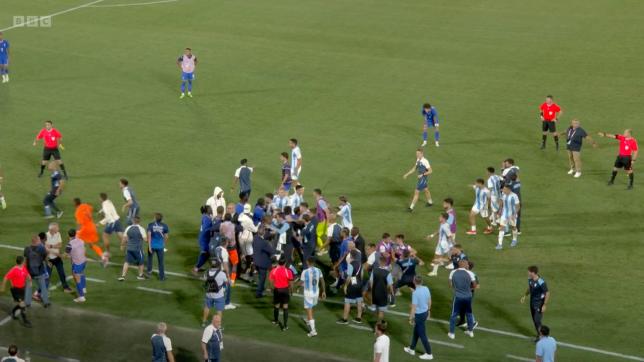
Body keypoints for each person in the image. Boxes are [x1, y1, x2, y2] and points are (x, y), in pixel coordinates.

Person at [403, 275, 433, 360]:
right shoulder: (426, 288)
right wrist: (429, 311)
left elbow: (413, 308)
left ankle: (429, 353)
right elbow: (429, 300)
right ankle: (411, 349)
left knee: (422, 334)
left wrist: (410, 318)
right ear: (421, 281)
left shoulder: (415, 293)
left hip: (419, 315)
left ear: (414, 281)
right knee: (416, 332)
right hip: (425, 313)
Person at [447, 259, 478, 340]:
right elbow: (475, 285)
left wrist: (457, 288)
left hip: (458, 296)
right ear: (465, 265)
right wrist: (468, 288)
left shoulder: (453, 272)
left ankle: (452, 333)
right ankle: (470, 332)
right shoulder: (470, 273)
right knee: (469, 313)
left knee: (454, 314)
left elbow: (450, 285)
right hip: (468, 296)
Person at [521, 265, 550, 341]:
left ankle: (543, 337)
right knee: (535, 321)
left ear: (533, 272)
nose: (528, 273)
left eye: (529, 272)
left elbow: (547, 293)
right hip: (532, 303)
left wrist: (544, 305)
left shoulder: (541, 282)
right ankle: (539, 335)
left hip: (539, 304)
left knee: (537, 320)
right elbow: (530, 288)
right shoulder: (530, 279)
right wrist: (524, 296)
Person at [1, 256, 31, 327]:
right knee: (23, 305)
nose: (25, 262)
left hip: (22, 289)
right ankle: (25, 321)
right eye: (24, 261)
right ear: (22, 262)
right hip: (16, 290)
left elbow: (27, 275)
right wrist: (3, 287)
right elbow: (5, 278)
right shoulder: (14, 270)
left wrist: (29, 280)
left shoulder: (23, 268)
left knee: (21, 304)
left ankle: (13, 312)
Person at [300, 257, 325, 337]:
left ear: (307, 262)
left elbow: (301, 283)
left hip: (308, 293)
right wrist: (323, 291)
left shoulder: (305, 272)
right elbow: (322, 281)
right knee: (311, 307)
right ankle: (308, 320)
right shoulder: (318, 270)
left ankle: (313, 331)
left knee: (309, 309)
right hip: (316, 293)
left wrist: (293, 286)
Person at [337, 249, 364, 324]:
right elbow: (361, 274)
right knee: (359, 301)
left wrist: (345, 286)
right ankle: (359, 318)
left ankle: (345, 319)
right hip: (359, 283)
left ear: (351, 256)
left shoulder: (351, 265)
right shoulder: (360, 263)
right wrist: (360, 283)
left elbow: (349, 277)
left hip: (352, 284)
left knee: (347, 302)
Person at [73, 198, 104, 262]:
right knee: (91, 245)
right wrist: (100, 213)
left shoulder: (77, 212)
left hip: (85, 229)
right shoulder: (85, 205)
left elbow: (79, 224)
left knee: (75, 239)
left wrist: (77, 231)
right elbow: (92, 208)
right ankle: (102, 256)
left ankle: (78, 255)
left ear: (75, 204)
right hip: (92, 227)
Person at [45, 222, 72, 293]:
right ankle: (44, 290)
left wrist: (51, 246)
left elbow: (60, 245)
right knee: (47, 276)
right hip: (49, 259)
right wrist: (47, 260)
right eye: (57, 228)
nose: (58, 229)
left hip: (57, 258)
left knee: (62, 273)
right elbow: (45, 249)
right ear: (52, 229)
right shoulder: (45, 236)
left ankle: (65, 288)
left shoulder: (58, 234)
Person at [23, 235, 49, 307]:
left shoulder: (27, 249)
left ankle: (27, 303)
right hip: (39, 271)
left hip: (29, 272)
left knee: (28, 287)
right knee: (43, 287)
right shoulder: (42, 248)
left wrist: (25, 271)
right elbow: (45, 258)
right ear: (37, 241)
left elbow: (25, 261)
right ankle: (46, 302)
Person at [119, 216, 147, 281]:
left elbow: (124, 238)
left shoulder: (128, 228)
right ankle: (140, 275)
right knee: (141, 262)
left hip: (129, 248)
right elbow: (145, 239)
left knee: (127, 262)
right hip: (138, 249)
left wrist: (122, 245)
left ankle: (123, 276)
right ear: (139, 221)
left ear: (133, 221)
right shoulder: (141, 229)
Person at [269, 257, 294, 331]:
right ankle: (285, 326)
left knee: (276, 305)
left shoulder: (274, 270)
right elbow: (291, 283)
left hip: (277, 290)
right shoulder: (288, 271)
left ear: (278, 263)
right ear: (285, 263)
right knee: (285, 307)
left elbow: (270, 281)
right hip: (285, 290)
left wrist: (271, 288)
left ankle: (276, 321)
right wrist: (291, 290)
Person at [202, 260, 228, 327]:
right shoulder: (222, 274)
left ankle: (204, 322)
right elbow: (227, 282)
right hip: (219, 295)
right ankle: (218, 326)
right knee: (219, 310)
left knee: (207, 307)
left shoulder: (206, 272)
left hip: (209, 294)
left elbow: (205, 281)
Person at [98, 193, 122, 263]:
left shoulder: (105, 205)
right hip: (117, 220)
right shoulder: (108, 201)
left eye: (99, 198)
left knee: (105, 236)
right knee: (120, 235)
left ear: (101, 199)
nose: (99, 199)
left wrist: (100, 223)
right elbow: (108, 208)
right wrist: (101, 211)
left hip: (111, 222)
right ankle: (130, 247)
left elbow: (108, 217)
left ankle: (108, 252)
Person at [65, 229, 88, 303]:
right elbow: (84, 249)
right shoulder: (81, 240)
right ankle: (84, 288)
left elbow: (66, 255)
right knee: (82, 273)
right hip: (84, 261)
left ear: (68, 235)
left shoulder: (69, 244)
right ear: (75, 234)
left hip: (77, 264)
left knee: (77, 279)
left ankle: (81, 297)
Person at [252, 229, 276, 298]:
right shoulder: (264, 243)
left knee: (260, 277)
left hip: (256, 260)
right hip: (263, 263)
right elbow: (272, 252)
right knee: (262, 278)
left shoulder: (255, 238)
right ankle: (259, 293)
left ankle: (261, 289)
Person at [370, 256, 394, 321]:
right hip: (383, 295)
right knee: (381, 311)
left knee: (376, 309)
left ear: (379, 262)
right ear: (386, 262)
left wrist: (372, 291)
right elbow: (390, 285)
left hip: (374, 293)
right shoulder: (388, 273)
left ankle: (377, 324)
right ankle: (378, 326)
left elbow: (371, 283)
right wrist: (392, 294)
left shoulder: (374, 270)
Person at [497, 185, 520, 249]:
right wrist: (499, 211)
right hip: (504, 214)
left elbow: (518, 206)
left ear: (509, 190)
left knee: (513, 227)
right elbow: (501, 202)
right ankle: (499, 244)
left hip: (512, 215)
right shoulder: (503, 194)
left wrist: (514, 214)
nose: (503, 190)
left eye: (504, 189)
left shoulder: (514, 196)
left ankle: (514, 239)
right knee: (501, 227)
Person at [147, 213, 169, 280]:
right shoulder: (165, 226)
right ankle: (161, 277)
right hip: (160, 246)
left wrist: (149, 246)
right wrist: (163, 244)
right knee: (161, 262)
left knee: (149, 259)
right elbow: (166, 237)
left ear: (155, 218)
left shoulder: (150, 225)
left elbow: (149, 236)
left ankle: (149, 273)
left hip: (152, 246)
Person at [193, 206, 214, 275]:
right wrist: (213, 228)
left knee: (206, 254)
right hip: (204, 239)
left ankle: (198, 266)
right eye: (210, 208)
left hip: (205, 238)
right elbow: (205, 229)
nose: (211, 209)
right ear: (207, 211)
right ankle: (196, 268)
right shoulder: (206, 218)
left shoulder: (207, 217)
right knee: (205, 253)